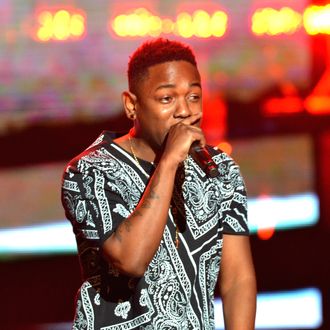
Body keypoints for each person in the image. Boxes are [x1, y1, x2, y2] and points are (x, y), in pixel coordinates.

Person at [61, 37, 256, 329]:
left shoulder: (220, 170)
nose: (184, 111)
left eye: (193, 96)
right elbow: (130, 259)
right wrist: (168, 163)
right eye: (167, 99)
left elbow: (238, 279)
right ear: (131, 106)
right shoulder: (89, 171)